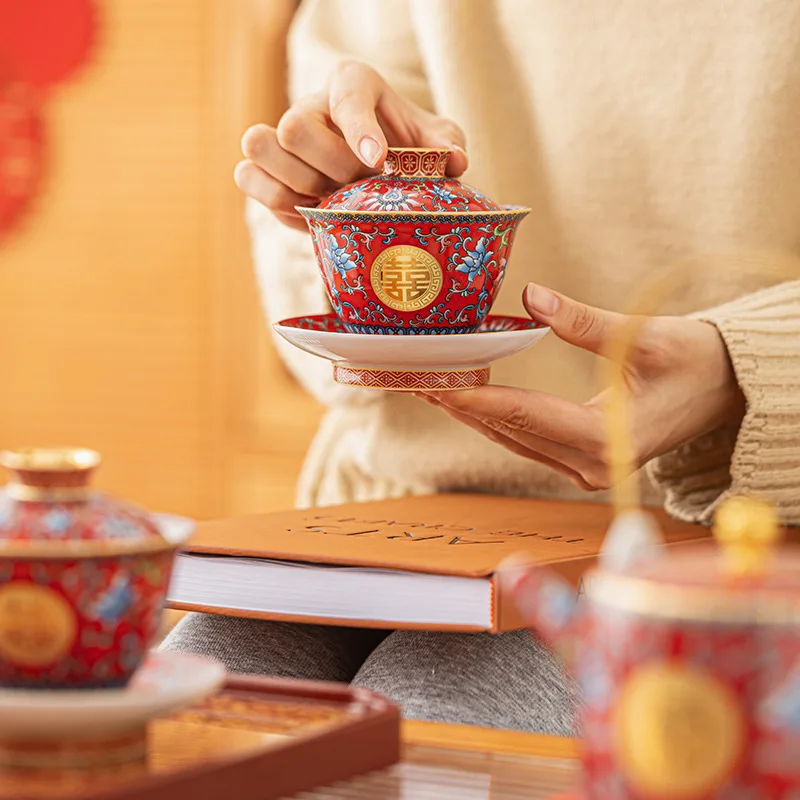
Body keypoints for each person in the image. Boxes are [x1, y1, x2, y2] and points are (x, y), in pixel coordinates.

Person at [163, 0, 800, 734]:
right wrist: (332, 203)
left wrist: (742, 369)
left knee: (443, 730)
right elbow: (321, 352)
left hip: (735, 540)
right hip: (393, 517)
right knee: (194, 720)